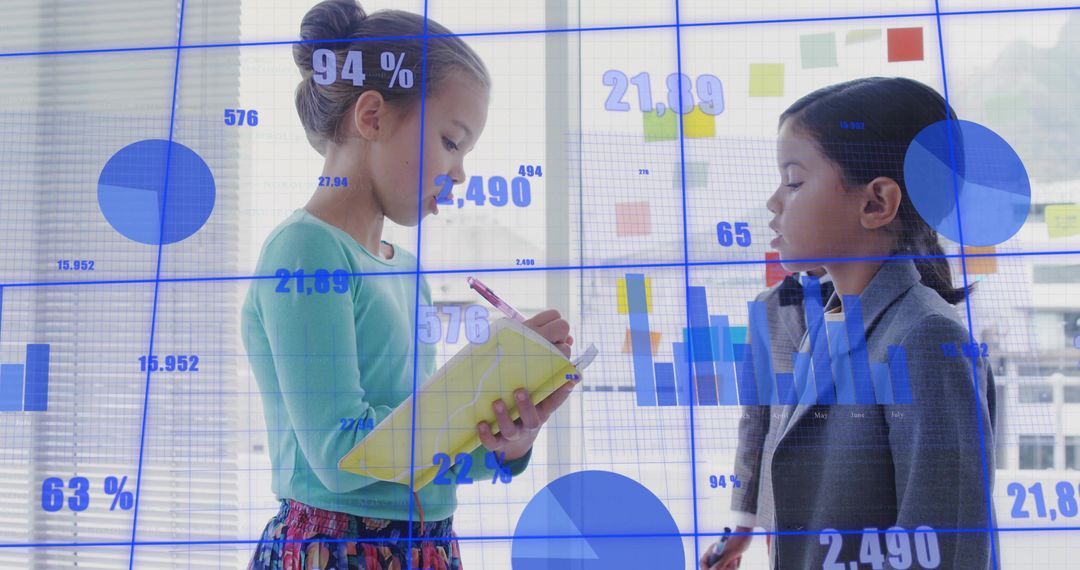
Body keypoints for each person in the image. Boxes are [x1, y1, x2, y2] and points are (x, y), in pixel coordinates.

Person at [241, 2, 576, 568]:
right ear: (372, 116)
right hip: (337, 548)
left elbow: (419, 456)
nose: (460, 173)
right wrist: (471, 392)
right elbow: (342, 454)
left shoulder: (407, 270)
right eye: (451, 141)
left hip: (427, 544)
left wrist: (509, 437)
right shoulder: (306, 250)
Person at [705, 77, 996, 569]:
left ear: (876, 203)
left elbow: (946, 552)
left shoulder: (927, 338)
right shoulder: (826, 326)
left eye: (794, 181)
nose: (774, 202)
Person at [700, 267, 833, 570]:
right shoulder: (766, 305)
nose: (774, 241)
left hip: (851, 506)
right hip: (780, 510)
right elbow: (755, 422)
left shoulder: (872, 296)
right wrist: (742, 526)